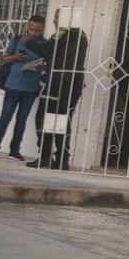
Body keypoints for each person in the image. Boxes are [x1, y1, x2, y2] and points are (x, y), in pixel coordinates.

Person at [0, 13, 49, 160]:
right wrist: (15, 57)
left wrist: (42, 67)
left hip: (31, 89)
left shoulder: (46, 44)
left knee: (22, 121)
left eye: (38, 30)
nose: (34, 33)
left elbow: (48, 64)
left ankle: (14, 151)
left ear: (43, 29)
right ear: (27, 27)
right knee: (5, 118)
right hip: (13, 86)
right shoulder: (17, 39)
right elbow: (3, 59)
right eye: (31, 29)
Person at [30, 26, 89, 170]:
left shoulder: (64, 31)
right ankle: (62, 159)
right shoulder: (81, 34)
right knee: (62, 120)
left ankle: (46, 158)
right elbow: (64, 56)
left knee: (44, 118)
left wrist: (28, 40)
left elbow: (46, 50)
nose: (55, 20)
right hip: (73, 83)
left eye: (57, 17)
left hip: (59, 83)